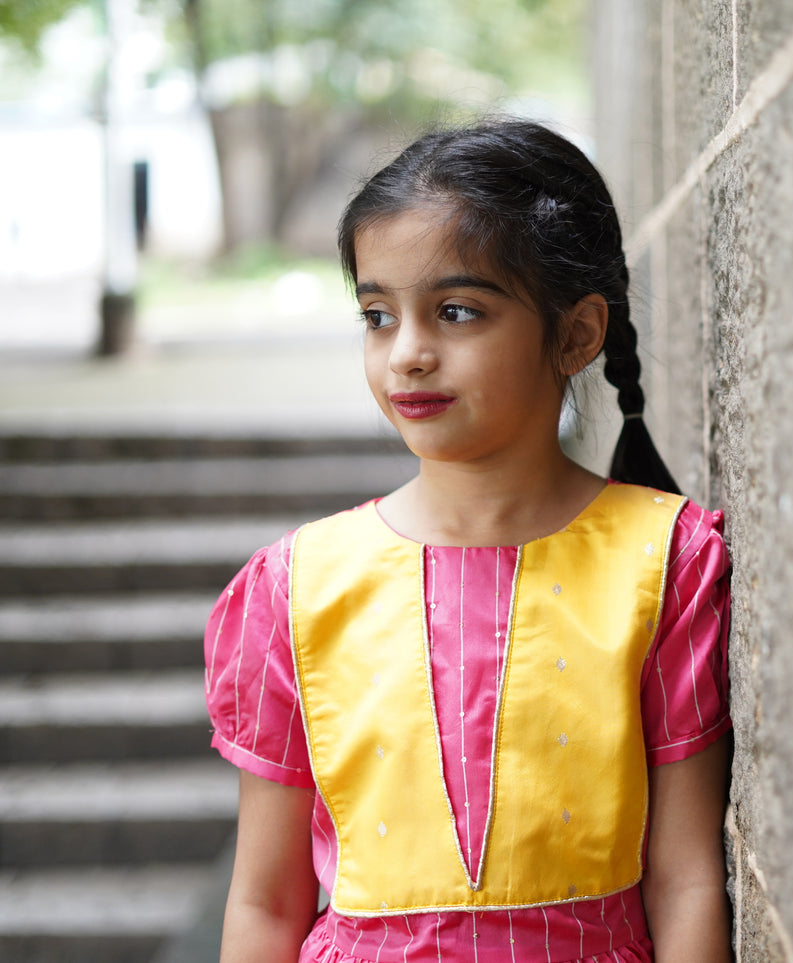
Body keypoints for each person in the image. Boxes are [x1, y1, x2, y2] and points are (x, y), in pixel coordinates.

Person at [203, 118, 733, 963]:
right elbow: (266, 901)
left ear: (576, 334)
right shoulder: (297, 587)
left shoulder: (662, 560)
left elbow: (685, 879)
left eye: (456, 311)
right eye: (378, 315)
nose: (407, 354)